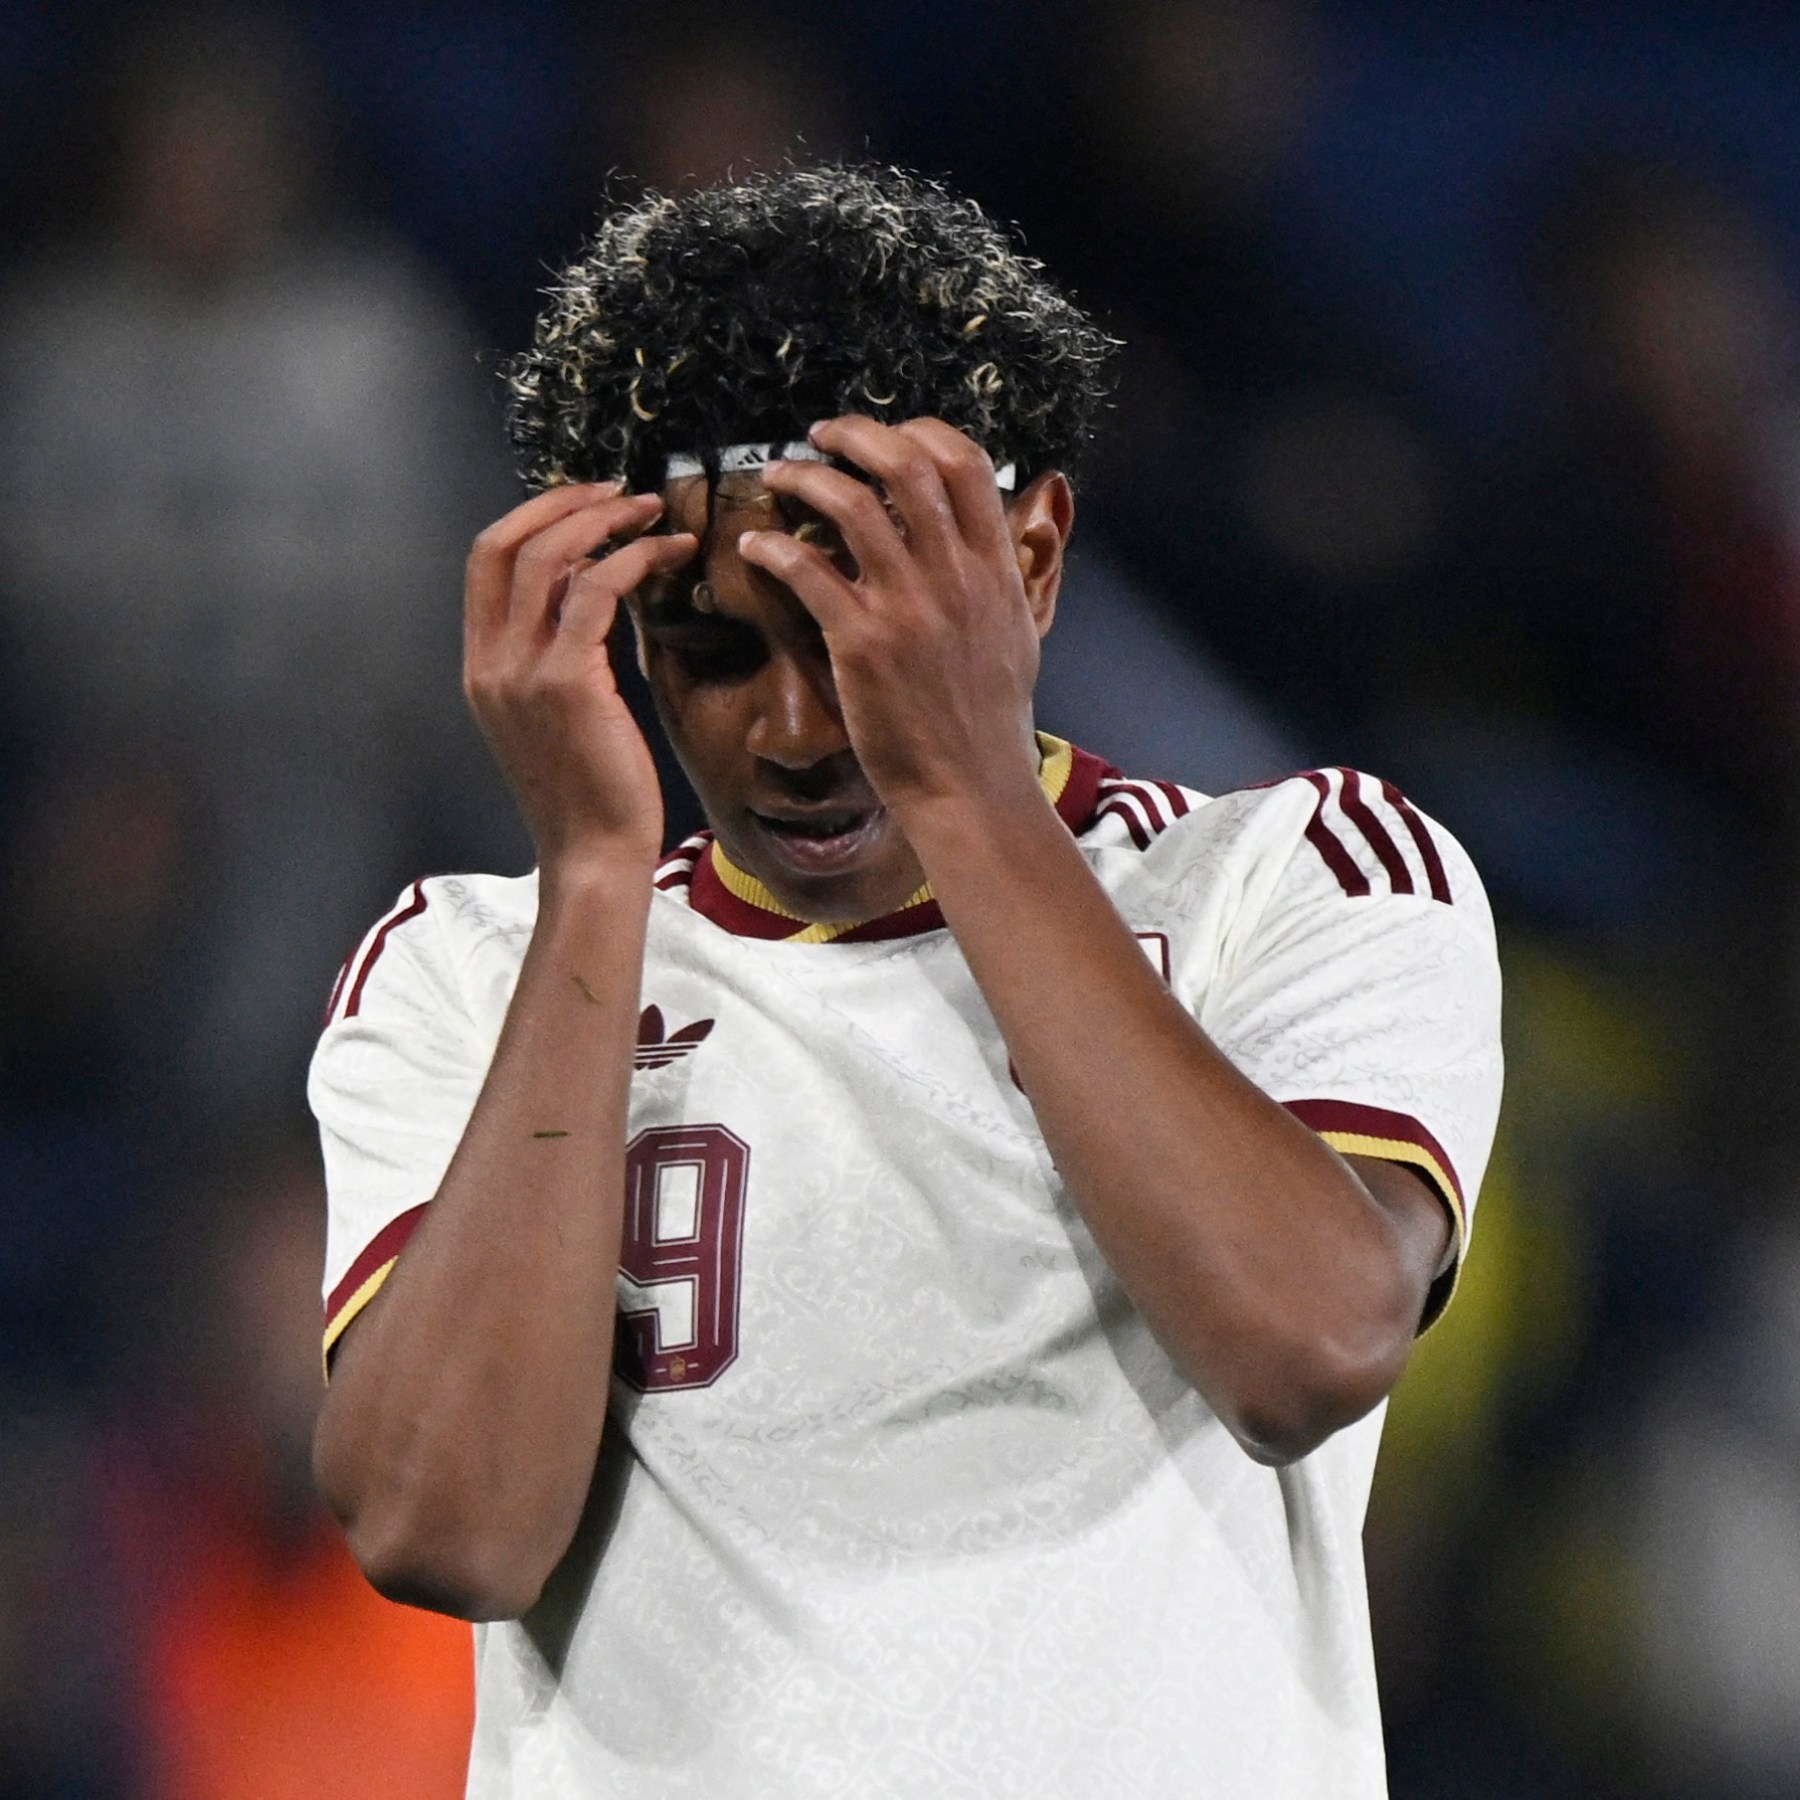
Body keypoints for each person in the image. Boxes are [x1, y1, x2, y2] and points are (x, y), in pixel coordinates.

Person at [308, 164, 1502, 1798]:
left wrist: (967, 790)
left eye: (852, 629)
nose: (796, 731)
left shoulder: (1295, 877)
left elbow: (1306, 1345)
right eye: (713, 650)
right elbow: (449, 1532)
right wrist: (592, 873)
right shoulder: (467, 970)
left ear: (1033, 557)